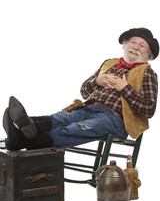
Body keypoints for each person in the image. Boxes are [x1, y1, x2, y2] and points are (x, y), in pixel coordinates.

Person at [3, 27, 159, 151]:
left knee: (76, 128)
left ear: (149, 53)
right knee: (60, 118)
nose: (135, 47)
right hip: (89, 109)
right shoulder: (110, 63)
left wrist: (124, 88)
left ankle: (21, 140)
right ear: (125, 44)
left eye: (141, 45)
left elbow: (149, 109)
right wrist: (97, 81)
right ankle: (27, 128)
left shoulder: (147, 73)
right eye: (133, 42)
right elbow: (84, 91)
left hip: (114, 119)